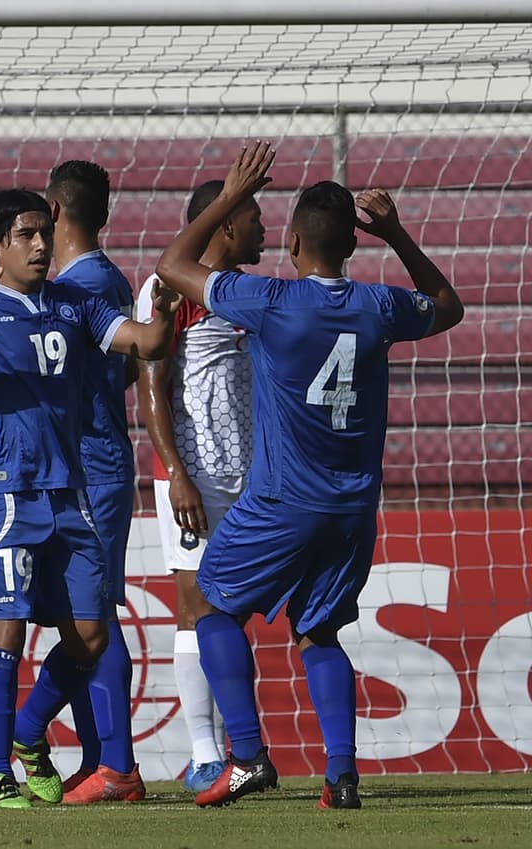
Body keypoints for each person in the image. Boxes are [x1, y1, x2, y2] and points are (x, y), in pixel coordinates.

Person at [154, 141, 464, 809]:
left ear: (292, 241)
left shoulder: (269, 300)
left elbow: (171, 267)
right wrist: (398, 234)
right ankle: (341, 777)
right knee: (319, 632)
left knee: (210, 605)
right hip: (352, 509)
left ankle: (246, 756)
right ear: (353, 245)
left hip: (281, 501)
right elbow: (447, 305)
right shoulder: (380, 306)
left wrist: (230, 196)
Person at [0, 189, 179, 809]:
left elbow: (146, 345)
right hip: (3, 494)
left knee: (90, 635)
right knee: (3, 636)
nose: (40, 245)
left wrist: (164, 315)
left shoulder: (74, 303)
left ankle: (28, 730)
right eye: (25, 235)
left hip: (69, 492)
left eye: (43, 233)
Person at [135, 179, 264, 793]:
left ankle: (244, 747)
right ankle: (207, 754)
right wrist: (176, 473)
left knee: (230, 612)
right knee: (197, 608)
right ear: (227, 224)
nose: (266, 230)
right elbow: (151, 386)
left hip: (253, 477)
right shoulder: (167, 288)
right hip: (194, 477)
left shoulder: (248, 292)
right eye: (255, 217)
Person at [43, 160, 145, 805]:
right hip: (88, 462)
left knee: (93, 615)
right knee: (75, 617)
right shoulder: (110, 279)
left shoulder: (77, 290)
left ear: (54, 211)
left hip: (92, 466)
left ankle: (119, 766)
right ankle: (97, 759)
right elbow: (125, 371)